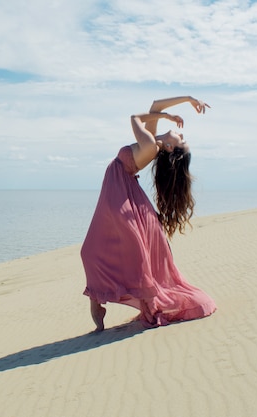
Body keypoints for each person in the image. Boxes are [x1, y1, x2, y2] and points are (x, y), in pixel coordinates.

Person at [81, 96, 217, 332]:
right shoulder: (153, 141)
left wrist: (165, 117)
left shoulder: (151, 146)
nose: (182, 135)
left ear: (169, 147)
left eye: (181, 141)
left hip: (121, 198)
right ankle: (98, 300)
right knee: (93, 251)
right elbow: (155, 105)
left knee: (95, 251)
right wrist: (188, 99)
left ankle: (105, 300)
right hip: (120, 195)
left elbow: (134, 118)